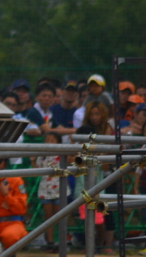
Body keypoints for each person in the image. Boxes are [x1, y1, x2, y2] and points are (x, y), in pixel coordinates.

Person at [77, 101, 117, 251]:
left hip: (107, 173)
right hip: (89, 176)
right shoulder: (84, 130)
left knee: (107, 210)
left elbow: (108, 154)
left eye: (97, 113)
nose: (95, 117)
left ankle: (106, 245)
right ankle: (93, 244)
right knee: (88, 213)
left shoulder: (108, 129)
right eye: (92, 114)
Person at [35, 131, 64, 252]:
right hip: (45, 189)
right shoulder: (42, 154)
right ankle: (50, 242)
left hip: (59, 188)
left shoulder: (62, 153)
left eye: (52, 140)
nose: (49, 142)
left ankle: (61, 241)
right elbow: (36, 168)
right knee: (48, 217)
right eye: (47, 139)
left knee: (60, 216)